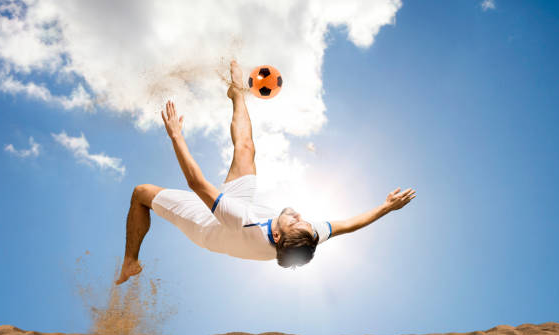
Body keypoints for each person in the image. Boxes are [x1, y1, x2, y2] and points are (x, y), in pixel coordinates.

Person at [116, 60, 416, 285]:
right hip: (244, 204)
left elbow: (196, 183)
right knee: (246, 149)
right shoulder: (305, 236)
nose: (300, 215)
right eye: (304, 222)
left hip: (207, 225)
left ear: (276, 234)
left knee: (141, 193)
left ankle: (130, 261)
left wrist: (176, 135)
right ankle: (237, 93)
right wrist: (387, 208)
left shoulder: (245, 222)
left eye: (294, 220)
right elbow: (349, 224)